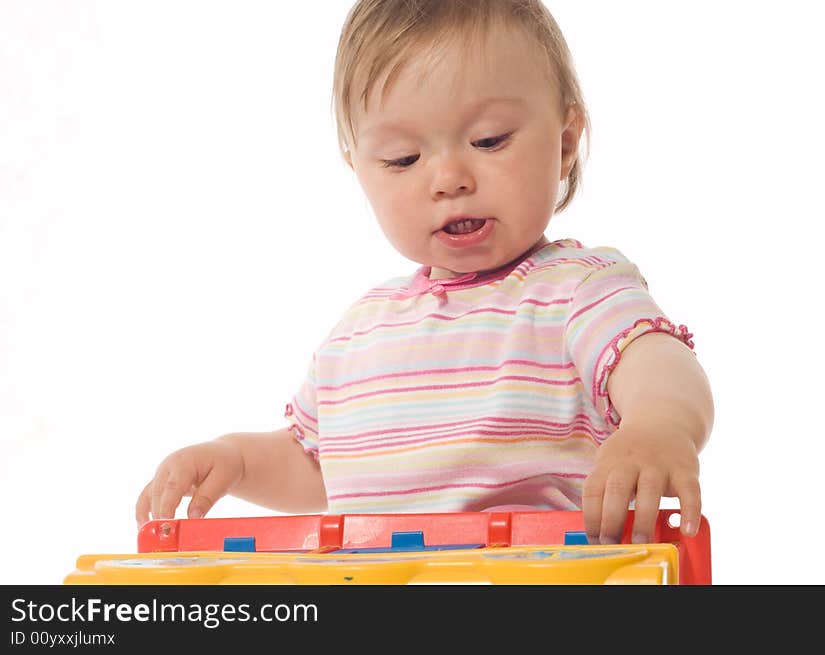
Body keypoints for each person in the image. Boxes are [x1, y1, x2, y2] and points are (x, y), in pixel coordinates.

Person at [136, 0, 714, 546]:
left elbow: (657, 363)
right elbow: (317, 466)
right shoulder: (359, 332)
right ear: (360, 170)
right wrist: (234, 460)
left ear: (564, 144)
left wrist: (660, 424)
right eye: (402, 159)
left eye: (489, 140)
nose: (448, 178)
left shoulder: (577, 291)